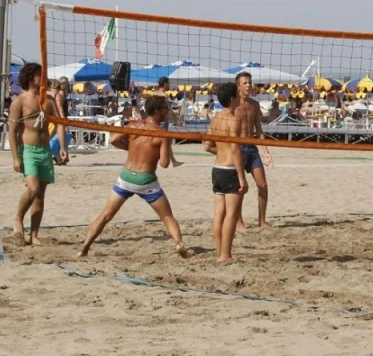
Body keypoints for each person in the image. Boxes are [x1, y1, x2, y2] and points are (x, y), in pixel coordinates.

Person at [78, 96, 190, 259]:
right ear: (157, 111)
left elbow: (114, 140)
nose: (168, 111)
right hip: (146, 180)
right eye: (166, 108)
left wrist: (132, 149)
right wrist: (157, 150)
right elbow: (165, 164)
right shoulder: (162, 134)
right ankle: (179, 244)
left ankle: (84, 248)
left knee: (105, 215)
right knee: (167, 217)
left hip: (126, 177)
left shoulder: (134, 125)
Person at [8, 63, 65, 245]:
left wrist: (62, 147)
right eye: (38, 75)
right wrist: (16, 157)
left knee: (40, 196)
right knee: (32, 189)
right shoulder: (20, 101)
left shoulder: (47, 99)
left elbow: (59, 122)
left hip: (45, 149)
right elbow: (12, 131)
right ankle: (18, 219)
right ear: (30, 76)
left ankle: (34, 235)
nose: (42, 78)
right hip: (28, 149)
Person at [204, 82, 248, 262]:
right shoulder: (234, 118)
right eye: (237, 94)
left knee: (218, 214)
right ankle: (225, 255)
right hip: (230, 169)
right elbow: (236, 149)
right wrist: (241, 176)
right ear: (232, 99)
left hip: (217, 168)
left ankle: (219, 252)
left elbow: (207, 146)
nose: (240, 97)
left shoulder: (215, 118)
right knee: (231, 214)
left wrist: (223, 152)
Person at [234, 72, 271, 230]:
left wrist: (266, 151)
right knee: (240, 187)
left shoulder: (254, 105)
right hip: (237, 148)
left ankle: (262, 220)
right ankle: (239, 221)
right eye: (245, 83)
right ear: (238, 86)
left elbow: (259, 131)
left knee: (262, 185)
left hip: (252, 147)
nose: (248, 85)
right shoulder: (233, 105)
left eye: (250, 82)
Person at [150, 77, 185, 167]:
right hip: (162, 120)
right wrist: (177, 120)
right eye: (168, 83)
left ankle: (174, 161)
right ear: (165, 84)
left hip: (154, 119)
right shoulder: (163, 95)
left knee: (164, 140)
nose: (169, 85)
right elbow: (168, 110)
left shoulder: (154, 94)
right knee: (165, 141)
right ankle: (169, 161)